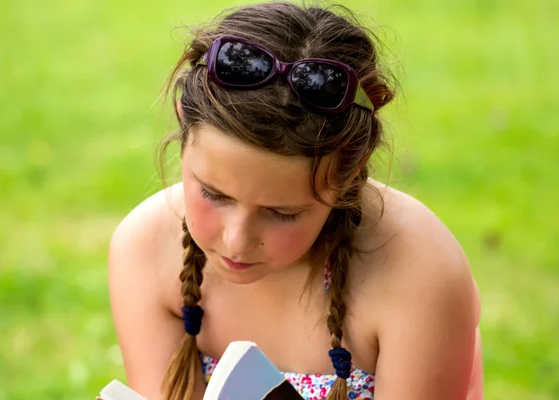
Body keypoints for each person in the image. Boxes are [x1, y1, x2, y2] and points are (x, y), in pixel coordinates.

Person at [107, 2, 484, 399]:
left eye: (281, 213)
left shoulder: (418, 271)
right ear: (183, 121)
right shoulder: (147, 248)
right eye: (214, 194)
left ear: (350, 174)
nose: (237, 240)